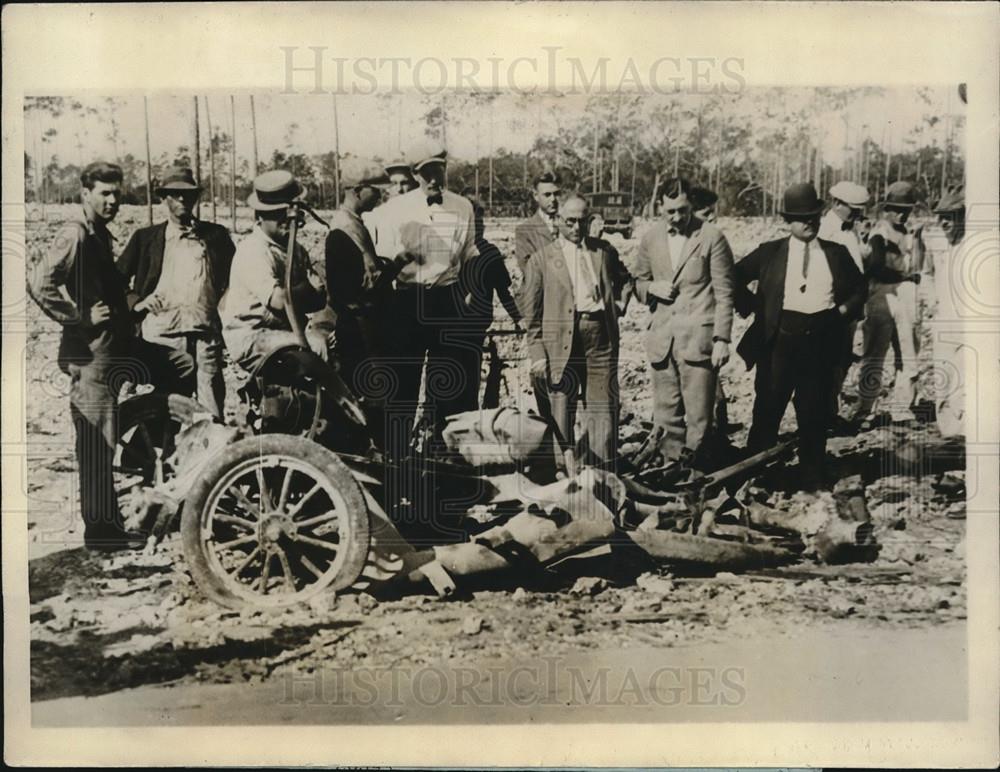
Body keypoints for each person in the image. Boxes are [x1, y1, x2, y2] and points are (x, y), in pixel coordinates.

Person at [27, 161, 194, 550]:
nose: (112, 201)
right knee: (98, 442)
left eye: (117, 193)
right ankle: (103, 533)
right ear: (85, 194)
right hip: (93, 357)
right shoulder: (76, 235)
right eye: (104, 193)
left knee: (180, 364)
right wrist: (78, 317)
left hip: (119, 346)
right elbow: (40, 283)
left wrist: (137, 308)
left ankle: (152, 445)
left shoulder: (99, 234)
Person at [734, 182, 866, 491]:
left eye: (814, 216)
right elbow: (734, 275)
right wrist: (754, 306)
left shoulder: (836, 253)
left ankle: (811, 474)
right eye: (801, 217)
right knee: (768, 406)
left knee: (814, 411)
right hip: (778, 341)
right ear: (787, 220)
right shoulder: (770, 253)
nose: (809, 223)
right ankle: (756, 473)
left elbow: (860, 289)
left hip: (820, 340)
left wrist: (842, 313)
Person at [371, 141, 480, 444]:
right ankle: (396, 461)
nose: (434, 179)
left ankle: (447, 461)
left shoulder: (462, 206)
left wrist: (469, 292)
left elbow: (470, 253)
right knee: (402, 387)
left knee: (450, 386)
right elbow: (383, 260)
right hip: (407, 302)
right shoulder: (394, 211)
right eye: (426, 173)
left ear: (446, 169)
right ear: (415, 175)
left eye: (438, 171)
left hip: (447, 298)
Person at [631, 177, 735, 471]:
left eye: (683, 210)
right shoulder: (651, 239)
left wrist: (722, 339)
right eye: (670, 211)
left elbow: (725, 293)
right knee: (666, 417)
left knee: (700, 417)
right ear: (659, 207)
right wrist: (651, 289)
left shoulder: (712, 237)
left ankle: (698, 475)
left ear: (691, 205)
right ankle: (670, 472)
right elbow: (638, 281)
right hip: (662, 341)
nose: (677, 217)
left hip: (698, 342)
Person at [116, 168, 235, 419]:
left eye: (188, 195)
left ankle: (208, 456)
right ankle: (163, 455)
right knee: (166, 408)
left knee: (210, 412)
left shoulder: (216, 237)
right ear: (164, 198)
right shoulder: (146, 239)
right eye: (175, 194)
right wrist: (137, 303)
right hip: (162, 339)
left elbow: (234, 281)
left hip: (205, 337)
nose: (182, 200)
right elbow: (115, 281)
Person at [520, 195, 621, 466]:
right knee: (561, 408)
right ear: (558, 221)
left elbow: (624, 280)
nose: (577, 228)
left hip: (599, 336)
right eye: (570, 222)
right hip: (559, 340)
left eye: (583, 221)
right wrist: (537, 353)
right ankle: (562, 473)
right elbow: (532, 315)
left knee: (604, 409)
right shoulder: (541, 260)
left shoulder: (603, 252)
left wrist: (618, 303)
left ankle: (599, 471)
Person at [322, 165, 415, 435]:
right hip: (360, 329)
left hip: (363, 325)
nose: (380, 196)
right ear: (356, 191)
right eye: (376, 190)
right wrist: (396, 264)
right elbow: (360, 286)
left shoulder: (352, 222)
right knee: (371, 397)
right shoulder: (345, 228)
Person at [219, 170, 327, 373]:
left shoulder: (295, 250)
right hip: (252, 334)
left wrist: (311, 292)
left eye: (290, 212)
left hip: (286, 330)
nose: (287, 219)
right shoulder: (254, 250)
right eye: (277, 214)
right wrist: (308, 289)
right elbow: (279, 300)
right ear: (259, 217)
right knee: (318, 346)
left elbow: (318, 299)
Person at [852, 181, 925, 424]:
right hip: (883, 295)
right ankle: (865, 408)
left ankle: (902, 407)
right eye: (896, 209)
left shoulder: (911, 232)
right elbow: (876, 267)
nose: (901, 214)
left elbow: (918, 264)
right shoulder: (880, 233)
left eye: (906, 209)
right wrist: (905, 276)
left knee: (908, 352)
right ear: (887, 209)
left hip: (906, 294)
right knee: (875, 354)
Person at [455, 199, 523, 409]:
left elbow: (503, 291)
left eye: (482, 223)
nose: (480, 228)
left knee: (472, 377)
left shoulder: (490, 253)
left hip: (476, 326)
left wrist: (517, 318)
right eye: (476, 223)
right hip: (451, 325)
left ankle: (470, 417)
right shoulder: (452, 251)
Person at [819, 180, 870, 423]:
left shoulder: (850, 229)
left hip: (852, 303)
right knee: (827, 359)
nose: (858, 214)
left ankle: (831, 410)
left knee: (841, 359)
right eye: (853, 208)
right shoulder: (825, 229)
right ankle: (823, 414)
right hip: (833, 304)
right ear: (837, 203)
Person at [925, 185, 968, 437]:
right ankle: (948, 433)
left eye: (948, 217)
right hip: (944, 322)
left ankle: (962, 437)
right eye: (940, 216)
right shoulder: (937, 243)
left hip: (968, 327)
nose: (943, 222)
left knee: (963, 383)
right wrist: (932, 303)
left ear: (961, 216)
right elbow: (927, 274)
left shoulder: (974, 245)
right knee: (943, 379)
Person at [514, 170, 561, 275]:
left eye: (556, 194)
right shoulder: (524, 231)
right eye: (547, 195)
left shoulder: (571, 224)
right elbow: (529, 270)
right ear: (536, 196)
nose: (553, 199)